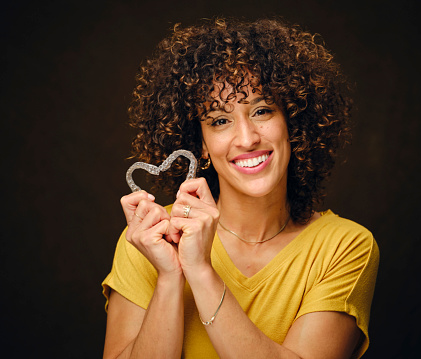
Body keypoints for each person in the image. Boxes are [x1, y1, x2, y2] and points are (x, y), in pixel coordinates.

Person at [102, 18, 379, 359]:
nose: (247, 139)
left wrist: (201, 271)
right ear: (200, 143)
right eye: (220, 120)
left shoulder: (343, 246)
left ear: (291, 121)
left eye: (262, 111)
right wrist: (170, 276)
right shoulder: (149, 238)